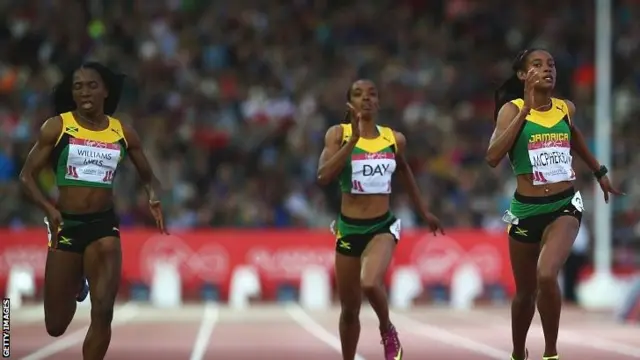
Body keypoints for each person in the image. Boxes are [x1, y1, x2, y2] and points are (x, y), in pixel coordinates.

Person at [19, 62, 167, 360]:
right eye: (78, 86)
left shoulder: (121, 131)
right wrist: (48, 209)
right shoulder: (58, 126)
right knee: (55, 326)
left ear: (105, 91)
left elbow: (148, 175)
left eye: (91, 85)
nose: (84, 91)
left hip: (104, 226)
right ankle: (78, 284)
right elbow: (26, 177)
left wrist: (153, 197)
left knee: (104, 311)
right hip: (67, 226)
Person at [486, 49, 624, 360]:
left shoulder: (565, 108)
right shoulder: (511, 111)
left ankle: (550, 353)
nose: (547, 69)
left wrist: (599, 171)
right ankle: (518, 353)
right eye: (537, 65)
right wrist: (524, 114)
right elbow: (492, 157)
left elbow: (575, 138)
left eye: (551, 64)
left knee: (546, 275)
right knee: (524, 294)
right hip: (524, 211)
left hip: (564, 205)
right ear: (523, 75)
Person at [317, 79, 444, 360]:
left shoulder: (393, 139)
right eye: (358, 94)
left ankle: (387, 330)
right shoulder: (337, 134)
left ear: (379, 103)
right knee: (349, 309)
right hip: (349, 228)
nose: (366, 99)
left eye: (372, 94)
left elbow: (406, 173)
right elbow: (324, 176)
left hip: (381, 226)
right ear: (349, 103)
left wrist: (424, 212)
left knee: (371, 283)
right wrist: (352, 141)